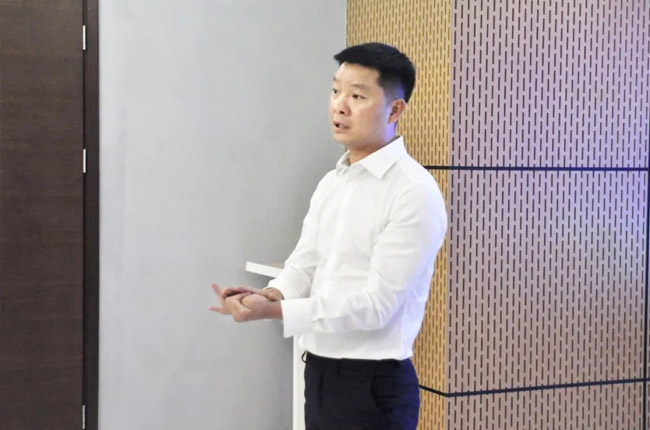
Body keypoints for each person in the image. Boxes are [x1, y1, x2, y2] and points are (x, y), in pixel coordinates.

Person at [210, 42, 447, 430]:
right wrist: (273, 294)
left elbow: (377, 306)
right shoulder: (332, 183)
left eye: (357, 96)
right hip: (320, 373)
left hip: (373, 386)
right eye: (336, 90)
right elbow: (305, 263)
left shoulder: (413, 191)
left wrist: (278, 312)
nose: (339, 106)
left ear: (395, 110)